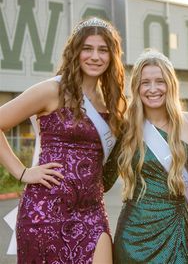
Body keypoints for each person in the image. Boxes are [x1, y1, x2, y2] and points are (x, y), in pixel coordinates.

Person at [0, 17, 127, 263]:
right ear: (75, 51)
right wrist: (23, 172)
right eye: (87, 48)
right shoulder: (51, 91)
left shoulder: (113, 102)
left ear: (112, 56)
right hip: (44, 212)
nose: (95, 56)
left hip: (91, 212)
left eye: (103, 50)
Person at [113, 49, 188, 263]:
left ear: (171, 84)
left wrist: (174, 206)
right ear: (137, 87)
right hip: (133, 237)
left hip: (177, 230)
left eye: (160, 81)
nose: (153, 89)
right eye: (145, 82)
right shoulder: (125, 128)